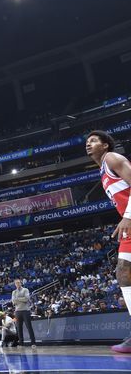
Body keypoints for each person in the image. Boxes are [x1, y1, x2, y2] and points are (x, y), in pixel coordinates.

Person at [86, 130, 131, 353]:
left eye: (94, 140)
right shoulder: (102, 170)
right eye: (87, 141)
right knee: (123, 273)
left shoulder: (112, 158)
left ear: (105, 145)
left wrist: (128, 216)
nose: (88, 143)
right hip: (129, 224)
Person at [11, 278, 36, 347]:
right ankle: (21, 343)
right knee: (19, 328)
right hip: (17, 311)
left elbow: (26, 299)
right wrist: (20, 299)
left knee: (29, 327)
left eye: (19, 283)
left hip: (25, 310)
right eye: (16, 283)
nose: (17, 284)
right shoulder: (14, 292)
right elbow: (13, 302)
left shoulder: (25, 290)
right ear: (15, 284)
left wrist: (17, 299)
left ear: (21, 283)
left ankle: (33, 343)